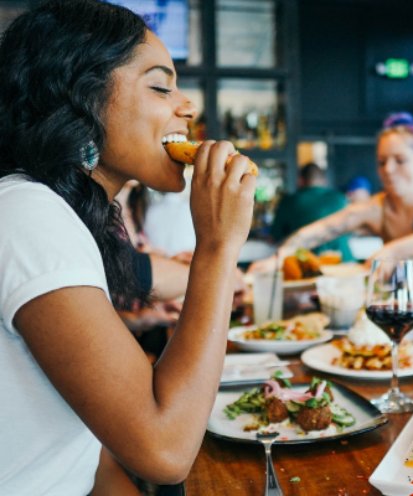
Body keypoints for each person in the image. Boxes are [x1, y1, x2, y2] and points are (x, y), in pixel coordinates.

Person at [0, 2, 257, 494]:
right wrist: (218, 249)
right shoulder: (26, 213)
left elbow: (86, 449)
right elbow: (165, 451)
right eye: (161, 86)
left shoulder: (70, 217)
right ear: (80, 98)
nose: (188, 106)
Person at [250, 112, 413, 269]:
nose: (388, 169)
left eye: (400, 160)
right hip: (401, 307)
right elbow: (321, 230)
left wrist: (391, 251)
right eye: (382, 162)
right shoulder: (377, 207)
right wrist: (278, 258)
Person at [271, 162, 353, 261]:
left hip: (308, 265)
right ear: (324, 180)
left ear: (300, 180)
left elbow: (275, 236)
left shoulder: (289, 201)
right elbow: (351, 231)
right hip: (345, 262)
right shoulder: (340, 198)